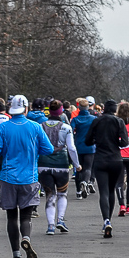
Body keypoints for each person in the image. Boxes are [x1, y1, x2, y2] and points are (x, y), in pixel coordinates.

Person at [0, 95, 55, 258]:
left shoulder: (3, 128)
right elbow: (49, 148)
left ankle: (16, 256)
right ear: (26, 108)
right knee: (26, 216)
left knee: (11, 217)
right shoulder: (35, 127)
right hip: (29, 178)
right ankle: (26, 237)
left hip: (8, 178)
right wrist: (34, 150)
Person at [85, 99, 128, 238]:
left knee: (103, 191)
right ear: (114, 110)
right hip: (115, 159)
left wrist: (97, 140)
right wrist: (115, 141)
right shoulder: (119, 121)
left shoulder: (97, 121)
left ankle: (106, 220)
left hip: (100, 159)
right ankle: (109, 219)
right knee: (111, 190)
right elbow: (125, 142)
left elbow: (87, 140)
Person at [37, 100, 81, 235]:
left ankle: (50, 226)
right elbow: (72, 148)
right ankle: (60, 220)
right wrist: (76, 164)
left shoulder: (40, 126)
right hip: (61, 164)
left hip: (43, 164)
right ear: (61, 111)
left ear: (49, 111)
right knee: (62, 194)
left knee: (50, 195)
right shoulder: (66, 128)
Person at [70, 97, 96, 198]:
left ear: (79, 108)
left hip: (78, 146)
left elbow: (71, 131)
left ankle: (78, 192)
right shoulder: (93, 119)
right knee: (88, 168)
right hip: (90, 146)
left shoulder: (75, 119)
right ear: (88, 107)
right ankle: (85, 182)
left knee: (78, 168)